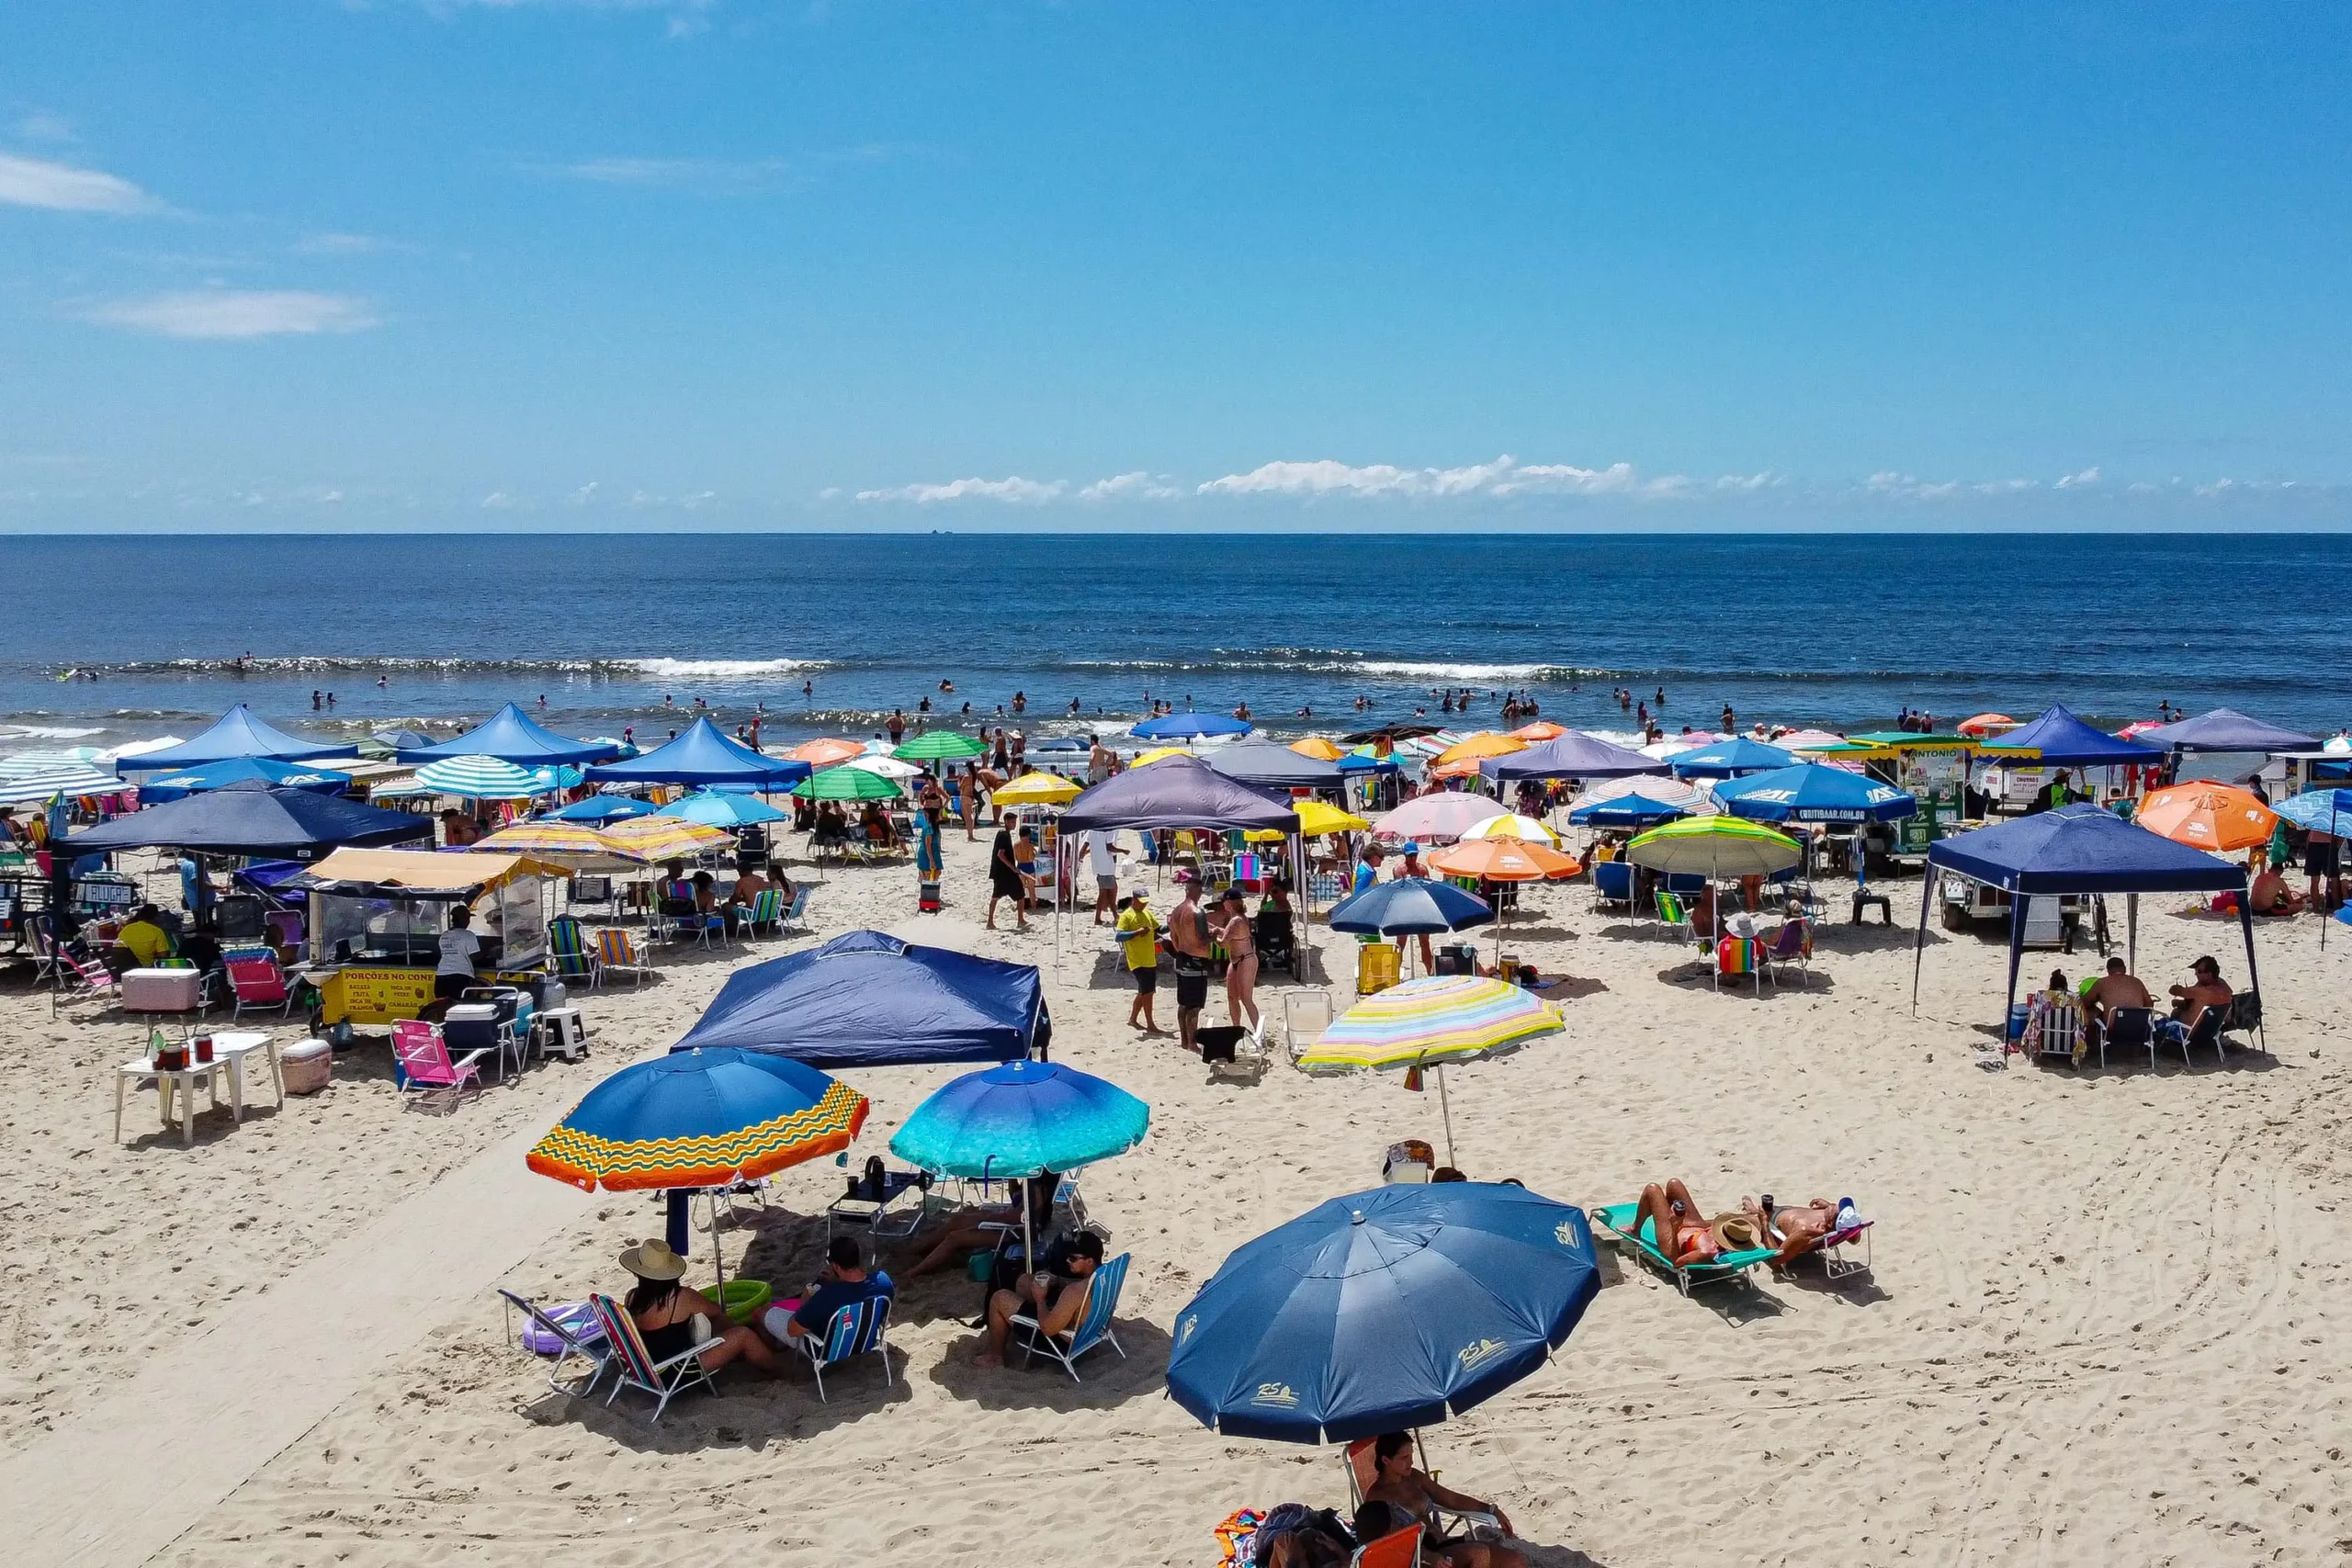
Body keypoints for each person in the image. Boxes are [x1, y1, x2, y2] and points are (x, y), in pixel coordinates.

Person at [617, 1238, 785, 1378]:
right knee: (743, 1335)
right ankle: (779, 1369)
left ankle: (750, 1351)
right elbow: (716, 1310)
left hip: (646, 1369)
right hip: (677, 1371)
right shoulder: (680, 1297)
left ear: (638, 1272)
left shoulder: (632, 1296)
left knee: (726, 1330)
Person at [1363, 1430, 1526, 1568]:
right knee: (1479, 1554)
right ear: (1386, 1460)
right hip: (1419, 1558)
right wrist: (1429, 1556)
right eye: (1404, 1458)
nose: (1411, 1462)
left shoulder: (1413, 1477)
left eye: (1411, 1455)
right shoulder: (1378, 1497)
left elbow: (1451, 1499)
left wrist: (1490, 1509)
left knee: (1516, 1561)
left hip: (1443, 1544)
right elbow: (1392, 1543)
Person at [977, 1229, 1103, 1369]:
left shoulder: (1075, 1291)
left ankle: (996, 1356)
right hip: (1086, 1332)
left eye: (1073, 1258)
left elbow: (1048, 1329)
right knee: (1025, 1281)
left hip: (1061, 1342)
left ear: (1089, 1261)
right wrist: (1059, 1280)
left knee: (999, 1298)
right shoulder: (1103, 1277)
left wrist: (1040, 1299)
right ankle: (1011, 1328)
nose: (1068, 1261)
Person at [904, 1172, 1060, 1278]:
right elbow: (1015, 1197)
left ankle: (912, 1273)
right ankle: (916, 1250)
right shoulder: (1031, 1181)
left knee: (955, 1237)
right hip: (1007, 1224)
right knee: (957, 1221)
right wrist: (1012, 1176)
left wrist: (988, 1218)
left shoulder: (1038, 1190)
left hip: (1015, 1235)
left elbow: (1016, 1218)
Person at [771, 1235, 894, 1349]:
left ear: (836, 1266)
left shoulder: (826, 1296)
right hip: (865, 1340)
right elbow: (857, 1291)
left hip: (828, 1349)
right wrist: (837, 1280)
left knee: (761, 1312)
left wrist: (806, 1298)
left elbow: (793, 1331)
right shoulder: (884, 1282)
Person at [1634, 1179, 1755, 1267]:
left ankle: (1635, 1229)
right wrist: (1690, 1225)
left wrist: (1675, 1226)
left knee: (1652, 1189)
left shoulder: (1706, 1251)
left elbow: (1676, 1262)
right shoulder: (1737, 1236)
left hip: (1671, 1239)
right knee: (1674, 1184)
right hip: (1694, 1228)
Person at [1168, 870, 1212, 1054]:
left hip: (1181, 958)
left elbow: (1173, 936)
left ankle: (1184, 1040)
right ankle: (1192, 1043)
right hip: (1195, 960)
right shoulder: (1197, 912)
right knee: (1194, 1006)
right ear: (1197, 890)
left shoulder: (1176, 911)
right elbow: (1202, 939)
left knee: (1183, 1003)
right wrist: (1215, 936)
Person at [1115, 888, 1162, 1032]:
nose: (1144, 905)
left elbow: (1158, 929)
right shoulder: (1127, 916)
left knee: (1144, 991)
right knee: (1148, 992)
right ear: (1133, 900)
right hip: (1137, 960)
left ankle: (1133, 1019)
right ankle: (1150, 1024)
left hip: (1149, 959)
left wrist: (1172, 925)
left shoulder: (1147, 913)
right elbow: (1118, 936)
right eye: (1141, 902)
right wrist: (1137, 933)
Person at [1216, 887, 1261, 1031]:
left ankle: (1260, 1032)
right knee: (1232, 998)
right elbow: (1229, 935)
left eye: (1224, 901)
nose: (1222, 904)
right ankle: (1236, 1029)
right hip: (1236, 960)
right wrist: (1216, 930)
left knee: (1246, 999)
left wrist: (1211, 937)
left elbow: (1223, 943)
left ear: (1229, 902)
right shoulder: (1236, 918)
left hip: (1245, 959)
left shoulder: (1236, 920)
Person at [2167, 954, 2233, 1037]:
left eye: (2199, 971)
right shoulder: (2224, 989)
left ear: (2209, 974)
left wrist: (2178, 990)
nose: (2195, 974)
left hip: (2189, 1034)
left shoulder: (2203, 991)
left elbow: (2173, 990)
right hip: (2212, 1032)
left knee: (2155, 1026)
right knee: (2178, 1011)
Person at [987, 821, 1029, 931]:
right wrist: (1013, 868)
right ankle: (991, 922)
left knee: (1016, 894)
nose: (1014, 824)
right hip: (1004, 872)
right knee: (1015, 894)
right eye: (1012, 822)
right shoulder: (1004, 835)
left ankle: (991, 922)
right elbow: (1000, 854)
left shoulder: (1003, 834)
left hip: (1001, 872)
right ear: (1007, 822)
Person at [435, 905, 483, 999]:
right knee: (461, 1008)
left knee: (443, 1008)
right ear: (462, 919)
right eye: (468, 918)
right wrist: (490, 951)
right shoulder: (468, 935)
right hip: (460, 977)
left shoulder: (444, 936)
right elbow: (475, 957)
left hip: (441, 978)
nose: (468, 921)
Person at [113, 904, 173, 969]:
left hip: (124, 968)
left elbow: (118, 949)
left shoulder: (126, 929)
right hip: (145, 969)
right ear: (156, 917)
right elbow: (163, 956)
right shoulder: (157, 932)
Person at [1084, 829, 1125, 924]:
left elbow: (1086, 844)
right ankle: (1105, 917)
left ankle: (1112, 915)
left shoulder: (1092, 830)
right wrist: (1123, 851)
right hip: (1106, 866)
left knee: (1106, 892)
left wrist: (1084, 854)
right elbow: (1109, 847)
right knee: (1108, 892)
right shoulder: (1109, 830)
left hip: (1098, 865)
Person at [2304, 823, 2341, 910]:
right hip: (2328, 844)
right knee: (2333, 878)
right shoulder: (2333, 814)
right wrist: (2337, 847)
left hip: (2314, 843)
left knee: (2315, 880)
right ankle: (2337, 907)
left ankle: (2316, 908)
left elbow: (2310, 834)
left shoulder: (2316, 814)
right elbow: (2340, 835)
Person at [914, 804, 944, 892]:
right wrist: (931, 860)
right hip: (927, 854)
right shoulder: (929, 827)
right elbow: (928, 845)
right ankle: (927, 895)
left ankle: (931, 894)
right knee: (927, 876)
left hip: (934, 852)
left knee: (936, 873)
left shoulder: (934, 825)